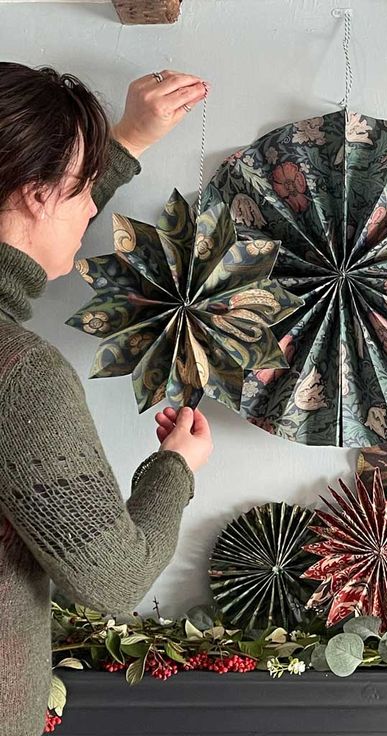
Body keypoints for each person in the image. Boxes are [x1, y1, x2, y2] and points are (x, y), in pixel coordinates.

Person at [0, 63, 213, 736]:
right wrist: (175, 469)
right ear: (37, 193)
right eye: (87, 186)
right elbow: (114, 579)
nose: (95, 208)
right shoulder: (19, 376)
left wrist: (120, 143)